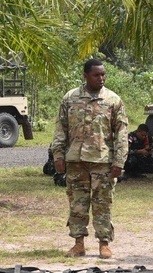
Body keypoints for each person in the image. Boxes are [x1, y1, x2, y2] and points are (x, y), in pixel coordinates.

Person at [51, 58, 128, 259]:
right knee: (77, 203)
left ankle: (104, 243)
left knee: (103, 203)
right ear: (85, 76)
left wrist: (119, 161)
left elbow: (121, 133)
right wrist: (58, 155)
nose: (101, 78)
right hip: (76, 160)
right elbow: (61, 128)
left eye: (103, 74)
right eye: (96, 75)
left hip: (102, 161)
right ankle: (78, 244)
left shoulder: (113, 100)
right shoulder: (70, 98)